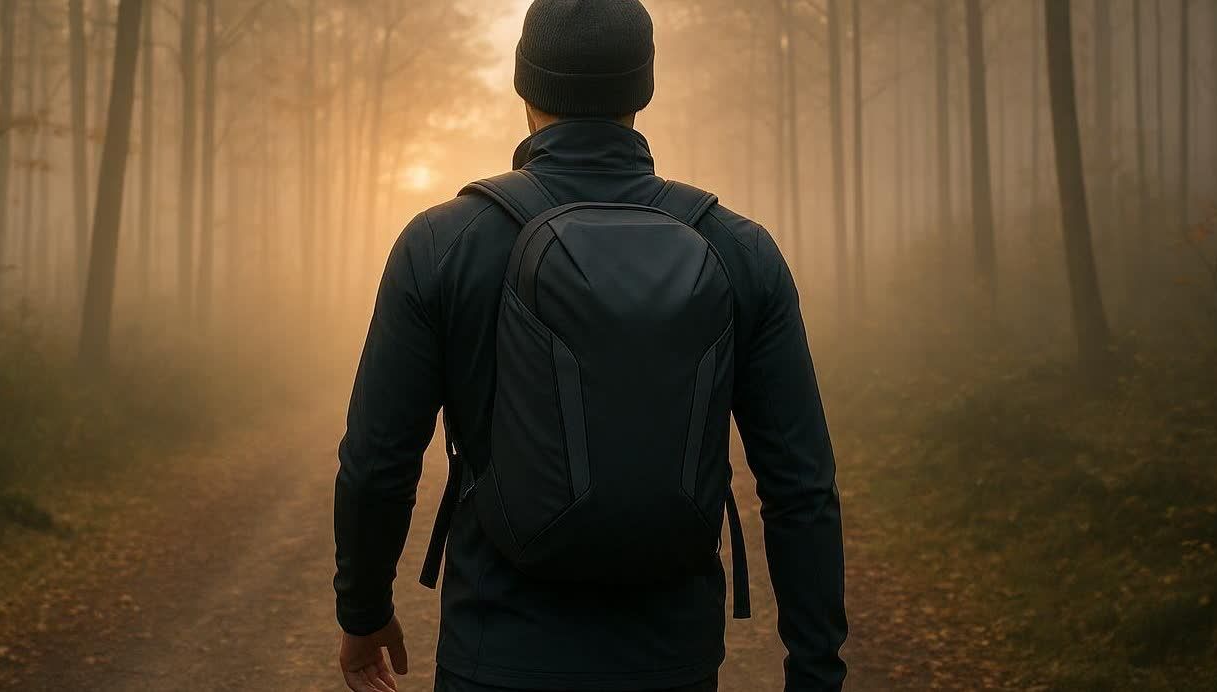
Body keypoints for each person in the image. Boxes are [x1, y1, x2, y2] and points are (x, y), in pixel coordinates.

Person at [333, 1, 847, 690]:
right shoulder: (739, 251)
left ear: (524, 85)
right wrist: (815, 672)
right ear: (644, 89)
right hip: (671, 663)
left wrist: (364, 612)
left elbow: (377, 464)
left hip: (497, 657)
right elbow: (800, 487)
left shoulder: (442, 245)